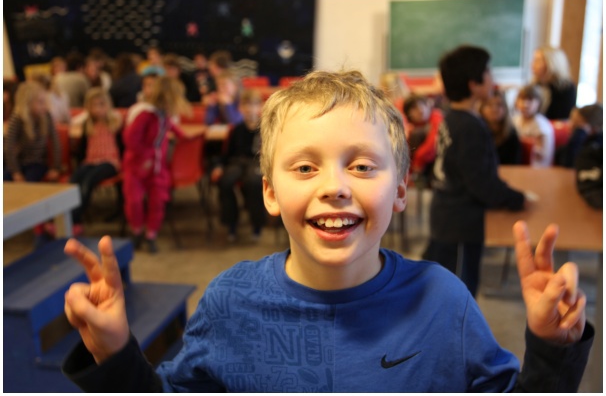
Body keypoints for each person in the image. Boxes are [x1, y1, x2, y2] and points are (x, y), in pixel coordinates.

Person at [62, 70, 593, 392]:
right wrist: (115, 354)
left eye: (362, 166)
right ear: (270, 192)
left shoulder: (443, 301)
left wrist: (551, 347)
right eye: (304, 167)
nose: (335, 186)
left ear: (400, 190)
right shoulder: (229, 302)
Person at [427, 46, 527, 298]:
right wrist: (516, 198)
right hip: (460, 222)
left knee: (444, 286)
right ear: (474, 84)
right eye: (488, 72)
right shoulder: (470, 126)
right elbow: (480, 182)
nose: (493, 78)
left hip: (446, 216)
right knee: (458, 293)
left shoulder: (452, 117)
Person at [121, 76, 190, 254]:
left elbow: (171, 127)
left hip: (157, 168)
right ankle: (137, 231)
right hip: (137, 167)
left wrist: (184, 138)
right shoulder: (145, 114)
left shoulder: (163, 115)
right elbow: (130, 139)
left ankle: (151, 234)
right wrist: (145, 157)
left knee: (158, 201)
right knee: (134, 201)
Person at [210, 89, 264, 243]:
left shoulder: (264, 129)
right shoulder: (237, 129)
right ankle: (231, 223)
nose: (249, 109)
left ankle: (257, 225)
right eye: (246, 105)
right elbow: (227, 154)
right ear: (241, 108)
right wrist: (219, 166)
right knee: (225, 181)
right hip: (237, 162)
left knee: (254, 183)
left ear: (259, 107)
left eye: (253, 105)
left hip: (257, 162)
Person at [69, 88, 124, 235]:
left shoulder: (115, 123)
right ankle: (66, 216)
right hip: (90, 161)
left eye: (101, 104)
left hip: (110, 162)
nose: (98, 109)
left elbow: (122, 146)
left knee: (88, 182)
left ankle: (74, 219)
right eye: (94, 105)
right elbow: (82, 149)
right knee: (74, 180)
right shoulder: (88, 124)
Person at [4, 81, 61, 182]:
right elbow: (9, 147)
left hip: (37, 163)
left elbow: (55, 143)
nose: (44, 106)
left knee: (29, 180)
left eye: (44, 102)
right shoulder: (17, 118)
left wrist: (56, 167)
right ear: (27, 103)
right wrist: (16, 172)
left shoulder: (46, 116)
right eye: (40, 102)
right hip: (19, 162)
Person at [512, 85, 555, 167]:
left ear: (539, 103)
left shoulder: (541, 125)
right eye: (522, 99)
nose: (525, 104)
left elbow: (542, 155)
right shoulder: (514, 120)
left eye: (530, 100)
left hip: (536, 168)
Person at [531, 46, 577, 120]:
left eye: (538, 61)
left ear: (551, 63)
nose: (532, 64)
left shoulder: (566, 88)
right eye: (534, 60)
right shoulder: (535, 85)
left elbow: (562, 118)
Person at [402, 94, 442, 177]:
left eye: (423, 104)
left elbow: (433, 144)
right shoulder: (411, 127)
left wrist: (417, 162)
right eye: (414, 108)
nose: (420, 110)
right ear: (408, 114)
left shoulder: (436, 116)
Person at [479, 87, 522, 165]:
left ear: (505, 109)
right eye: (489, 105)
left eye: (499, 105)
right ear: (481, 109)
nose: (494, 109)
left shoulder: (511, 133)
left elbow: (515, 163)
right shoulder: (477, 131)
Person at [556, 103, 603, 168]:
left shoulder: (597, 145)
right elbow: (562, 160)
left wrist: (580, 133)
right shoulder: (580, 140)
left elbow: (569, 163)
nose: (571, 127)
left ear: (593, 127)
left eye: (577, 125)